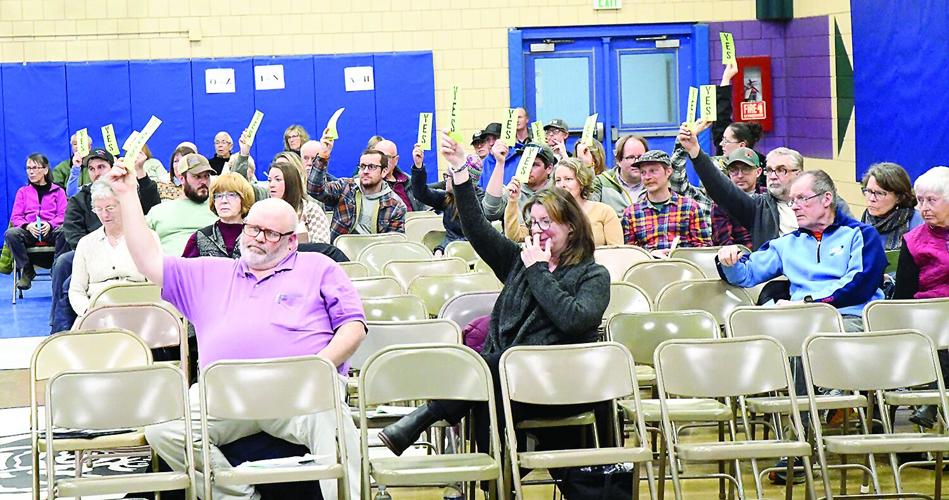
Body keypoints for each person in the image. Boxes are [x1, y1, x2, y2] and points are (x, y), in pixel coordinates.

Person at [103, 153, 365, 499]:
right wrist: (126, 195)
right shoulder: (210, 272)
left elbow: (353, 326)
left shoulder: (318, 266)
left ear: (290, 241)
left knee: (334, 425)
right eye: (253, 228)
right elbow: (149, 261)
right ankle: (238, 493)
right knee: (164, 428)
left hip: (300, 393)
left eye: (269, 233)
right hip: (223, 398)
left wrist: (320, 365)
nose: (256, 237)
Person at [379, 131, 611, 469]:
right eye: (533, 223)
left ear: (572, 228)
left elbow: (573, 319)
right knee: (489, 377)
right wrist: (460, 172)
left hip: (567, 387)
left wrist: (538, 271)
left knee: (487, 367)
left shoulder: (593, 275)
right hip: (513, 385)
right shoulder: (520, 260)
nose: (537, 230)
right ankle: (499, 480)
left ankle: (426, 417)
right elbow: (476, 228)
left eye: (547, 222)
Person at [716, 170, 886, 332]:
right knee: (752, 333)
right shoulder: (787, 244)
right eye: (792, 201)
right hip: (801, 318)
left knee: (814, 337)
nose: (794, 207)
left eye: (802, 199)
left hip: (848, 317)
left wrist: (808, 303)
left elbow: (860, 285)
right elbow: (747, 274)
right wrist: (729, 261)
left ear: (826, 199)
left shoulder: (862, 235)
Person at [677, 123, 853, 251]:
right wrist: (695, 152)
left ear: (799, 173)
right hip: (774, 282)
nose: (773, 176)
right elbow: (723, 190)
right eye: (769, 170)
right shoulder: (759, 208)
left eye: (781, 170)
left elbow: (857, 236)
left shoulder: (825, 202)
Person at [51, 148, 161, 332]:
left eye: (101, 167)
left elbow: (150, 205)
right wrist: (90, 313)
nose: (96, 172)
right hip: (94, 286)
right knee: (64, 266)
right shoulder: (80, 199)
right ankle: (58, 330)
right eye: (91, 169)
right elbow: (73, 233)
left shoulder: (127, 193)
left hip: (137, 304)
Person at [893, 166, 949, 428]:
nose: (924, 207)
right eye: (920, 200)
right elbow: (903, 292)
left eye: (931, 200)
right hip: (926, 316)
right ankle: (933, 399)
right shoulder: (914, 240)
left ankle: (932, 400)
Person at [68, 180, 159, 316]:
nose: (104, 215)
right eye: (98, 209)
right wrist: (88, 312)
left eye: (110, 208)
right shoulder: (85, 243)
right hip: (97, 312)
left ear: (123, 206)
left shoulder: (147, 237)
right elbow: (76, 291)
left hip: (140, 309)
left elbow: (157, 284)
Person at [506, 158, 621, 246]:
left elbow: (617, 252)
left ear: (581, 182)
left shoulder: (604, 211)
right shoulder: (545, 213)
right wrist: (512, 201)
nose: (562, 185)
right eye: (558, 180)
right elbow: (515, 237)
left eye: (568, 179)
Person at [307, 147, 407, 241]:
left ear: (384, 171)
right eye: (362, 166)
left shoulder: (396, 205)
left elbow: (393, 244)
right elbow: (314, 189)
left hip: (375, 254)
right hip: (340, 252)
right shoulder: (346, 187)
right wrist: (323, 156)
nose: (366, 171)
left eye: (372, 167)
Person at [621, 150, 711, 255]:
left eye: (653, 171)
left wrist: (679, 254)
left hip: (683, 267)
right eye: (643, 172)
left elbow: (704, 248)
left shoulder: (689, 207)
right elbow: (629, 253)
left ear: (668, 171)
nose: (647, 177)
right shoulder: (631, 213)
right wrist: (651, 255)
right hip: (647, 268)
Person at [5, 154, 67, 289]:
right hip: (30, 232)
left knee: (64, 231)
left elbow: (63, 215)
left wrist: (50, 224)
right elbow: (16, 217)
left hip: (50, 231)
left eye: (34, 167)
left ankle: (57, 269)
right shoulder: (22, 192)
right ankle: (27, 271)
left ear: (45, 170)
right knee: (11, 233)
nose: (31, 171)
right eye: (28, 168)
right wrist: (27, 226)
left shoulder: (59, 191)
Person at [410, 143, 483, 254]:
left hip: (472, 253)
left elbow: (473, 237)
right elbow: (421, 193)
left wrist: (442, 248)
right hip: (448, 251)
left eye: (449, 176)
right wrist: (418, 166)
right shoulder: (448, 198)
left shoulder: (480, 202)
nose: (445, 180)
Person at [146, 153, 218, 255]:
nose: (203, 181)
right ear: (181, 178)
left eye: (206, 176)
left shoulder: (219, 208)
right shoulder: (159, 211)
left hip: (209, 266)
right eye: (197, 176)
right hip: (170, 267)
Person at [182, 172, 255, 259]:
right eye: (218, 196)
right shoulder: (200, 237)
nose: (224, 200)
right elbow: (184, 270)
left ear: (244, 198)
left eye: (231, 195)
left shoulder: (255, 236)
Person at [481, 141, 556, 222]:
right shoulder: (513, 190)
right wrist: (499, 163)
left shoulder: (558, 193)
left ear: (549, 168)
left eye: (534, 164)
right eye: (525, 163)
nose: (528, 170)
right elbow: (490, 212)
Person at [860, 162, 923, 251]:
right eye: (869, 191)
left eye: (879, 193)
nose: (872, 198)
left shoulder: (918, 223)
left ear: (899, 197)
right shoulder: (864, 222)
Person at [711, 147, 767, 247]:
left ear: (758, 172)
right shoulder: (722, 202)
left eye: (746, 169)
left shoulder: (769, 197)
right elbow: (724, 243)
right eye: (734, 170)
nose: (740, 175)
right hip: (740, 257)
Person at [268, 160, 330, 244]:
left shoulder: (311, 210)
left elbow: (322, 245)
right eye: (269, 180)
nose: (271, 185)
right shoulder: (263, 210)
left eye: (278, 180)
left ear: (291, 183)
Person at [592, 134, 647, 215]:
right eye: (630, 157)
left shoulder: (656, 183)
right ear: (618, 160)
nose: (636, 162)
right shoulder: (601, 183)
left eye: (640, 157)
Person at [373, 138, 423, 211]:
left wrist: (418, 165)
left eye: (387, 157)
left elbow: (423, 203)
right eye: (378, 156)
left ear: (396, 160)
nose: (382, 161)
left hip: (412, 220)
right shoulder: (368, 182)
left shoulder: (407, 180)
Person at [51, 131, 93, 196]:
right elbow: (55, 189)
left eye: (81, 143)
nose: (77, 146)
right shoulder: (62, 167)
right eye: (75, 144)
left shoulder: (95, 166)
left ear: (89, 147)